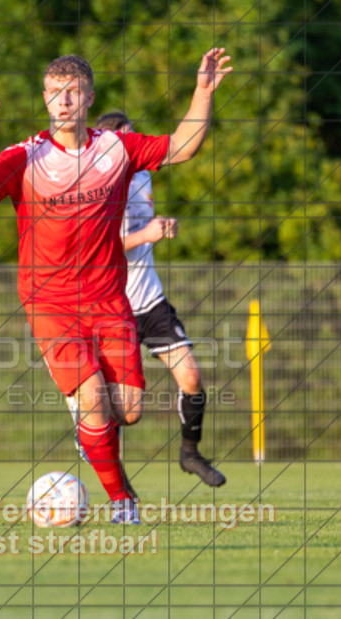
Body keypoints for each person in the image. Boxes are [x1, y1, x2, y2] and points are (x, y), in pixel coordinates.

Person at [0, 49, 232, 523]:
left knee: (129, 411)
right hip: (51, 303)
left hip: (108, 300)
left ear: (89, 98)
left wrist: (202, 92)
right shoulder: (25, 156)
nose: (62, 102)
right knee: (92, 402)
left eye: (72, 93)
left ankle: (91, 431)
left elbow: (182, 146)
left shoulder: (115, 150)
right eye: (53, 93)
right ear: (44, 98)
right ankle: (123, 500)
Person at [92, 110, 226, 487]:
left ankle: (190, 454)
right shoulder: (96, 186)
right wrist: (146, 234)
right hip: (111, 307)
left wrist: (161, 226)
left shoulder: (143, 174)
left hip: (149, 301)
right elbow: (99, 249)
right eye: (127, 136)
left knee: (192, 376)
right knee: (121, 408)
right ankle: (118, 484)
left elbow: (140, 228)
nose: (136, 142)